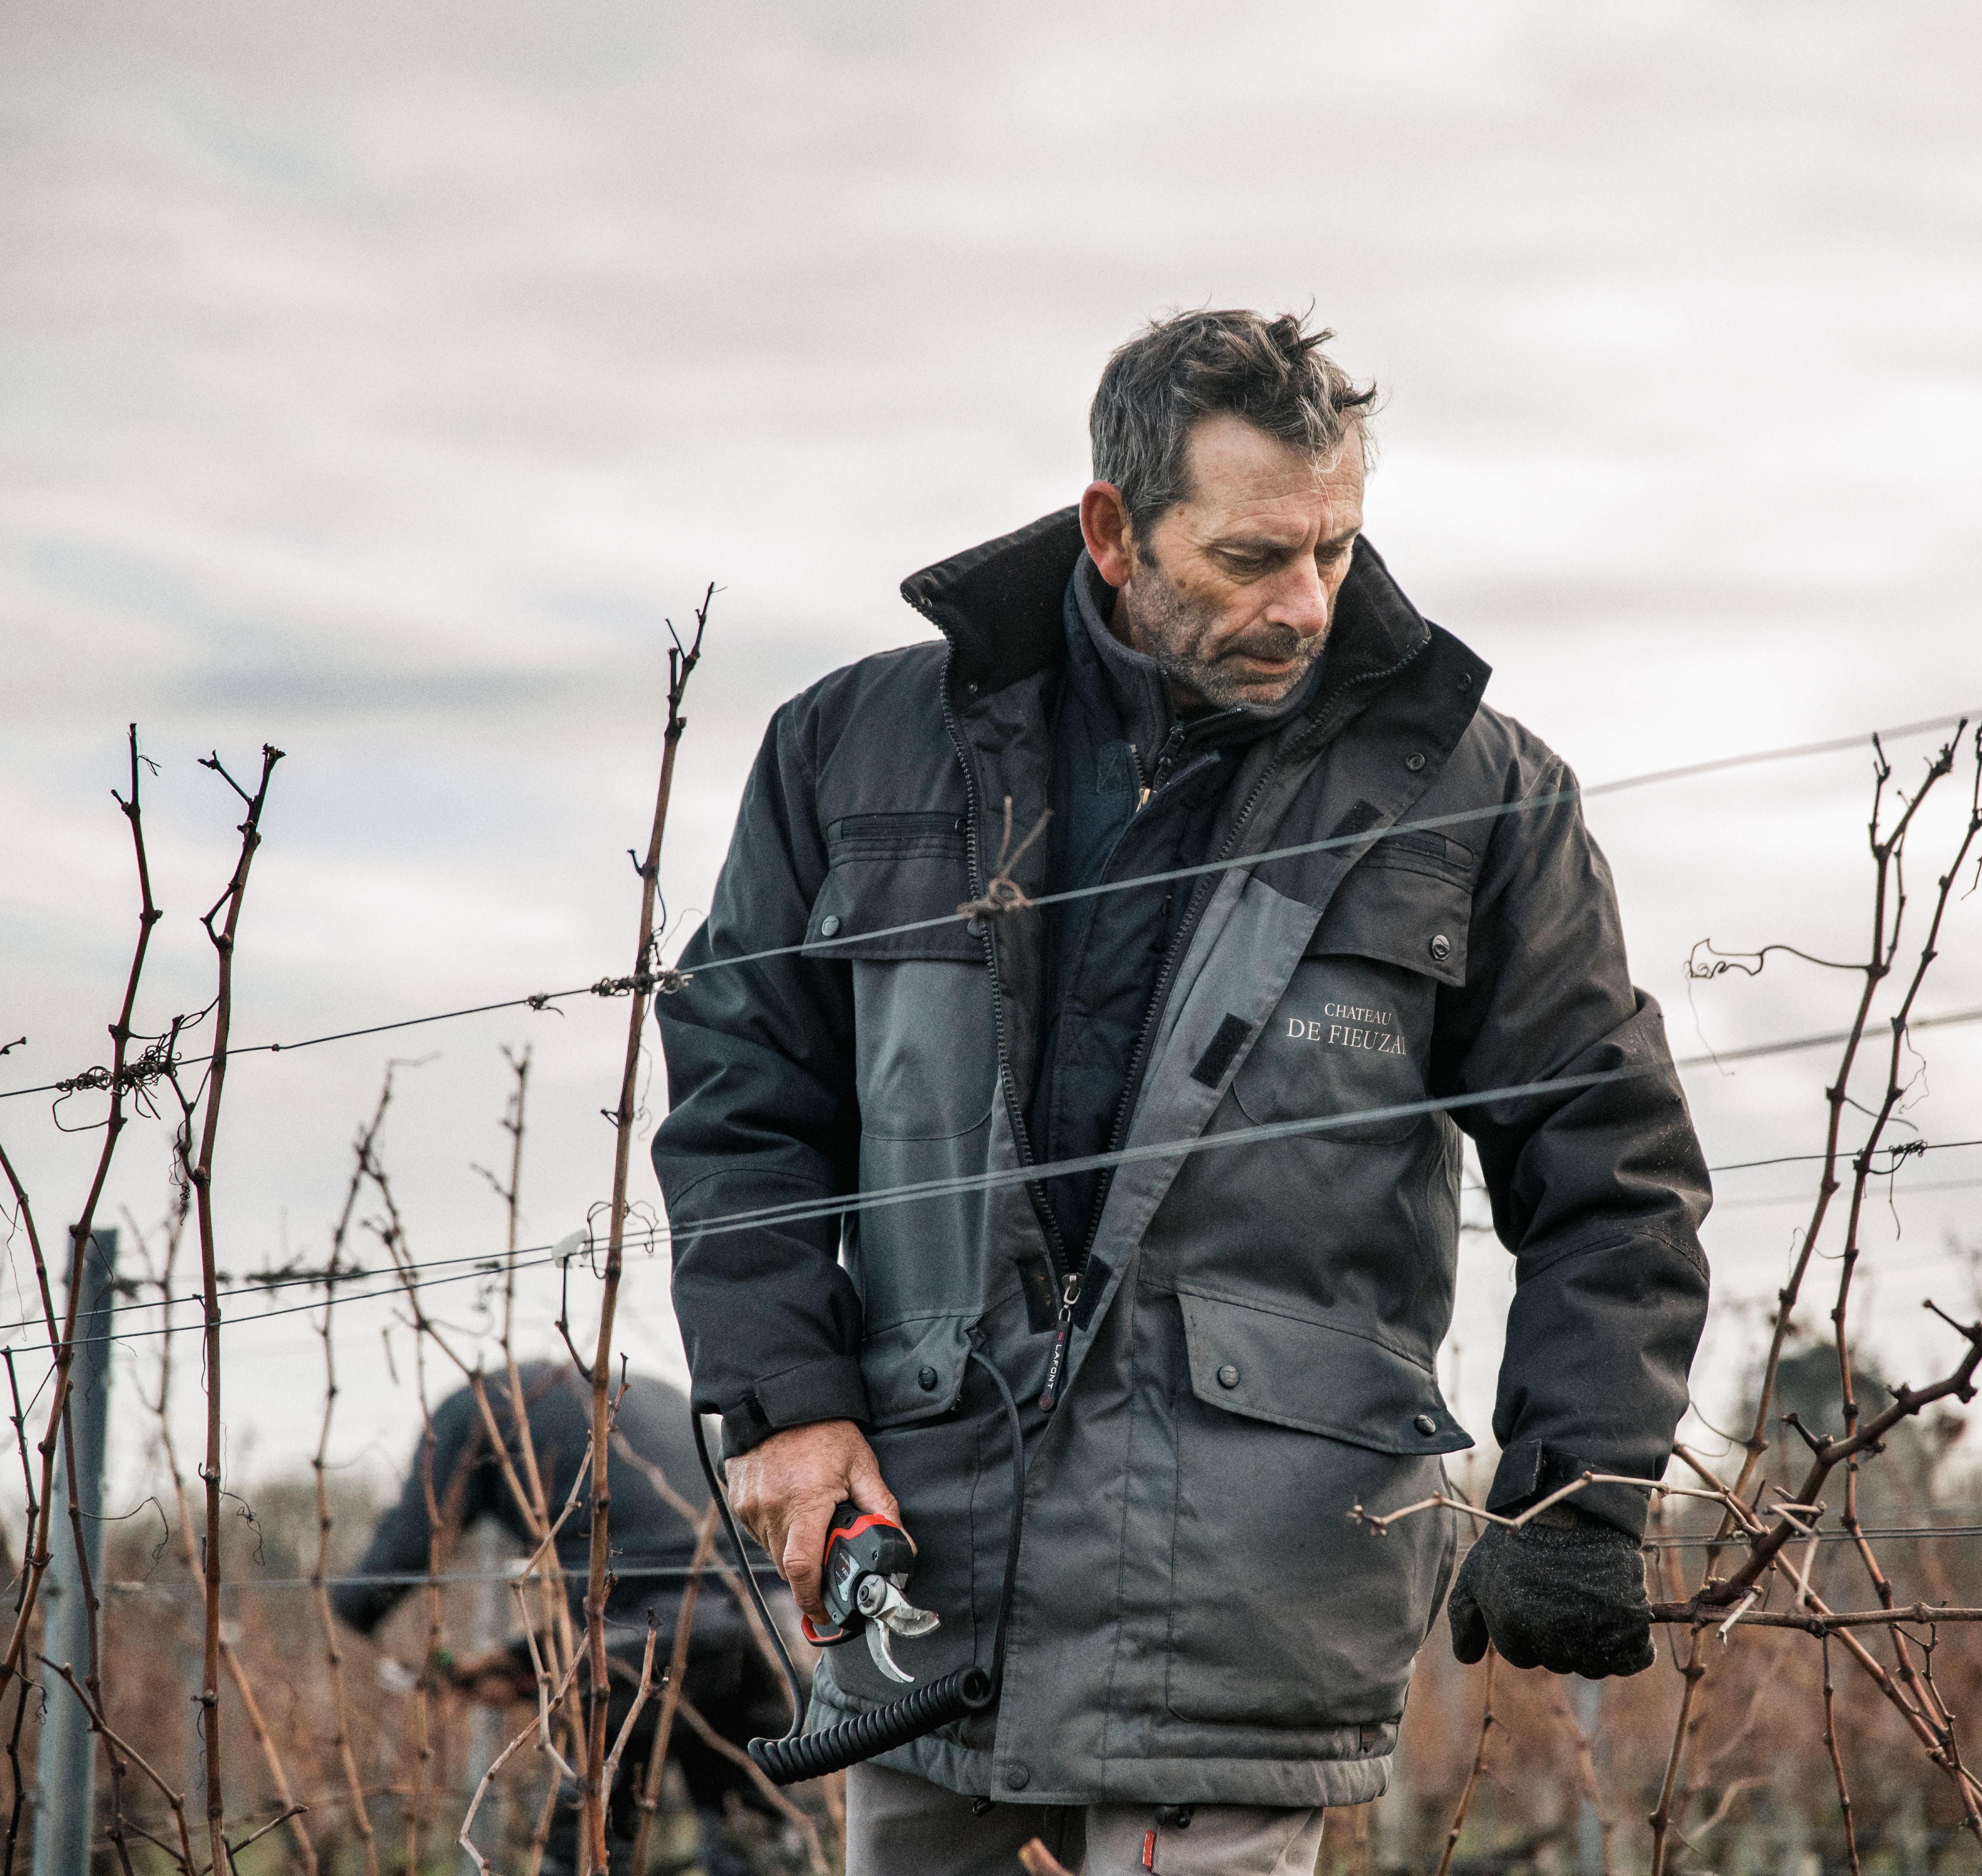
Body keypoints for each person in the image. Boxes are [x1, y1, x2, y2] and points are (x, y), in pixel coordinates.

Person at [655, 309, 1712, 1875]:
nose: (1304, 603)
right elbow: (744, 1106)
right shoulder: (850, 751)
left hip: (1248, 1609)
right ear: (1111, 533)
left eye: (1337, 551)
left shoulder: (1477, 795)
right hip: (918, 1599)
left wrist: (1576, 1483)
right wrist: (786, 1406)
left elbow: (1608, 1165)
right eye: (1249, 557)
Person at [335, 1365, 797, 1876]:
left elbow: (404, 1548)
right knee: (756, 1836)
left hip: (640, 1645)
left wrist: (350, 1610)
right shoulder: (650, 1391)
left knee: (587, 1847)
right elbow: (658, 1592)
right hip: (762, 1619)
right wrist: (514, 1660)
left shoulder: (473, 1410)